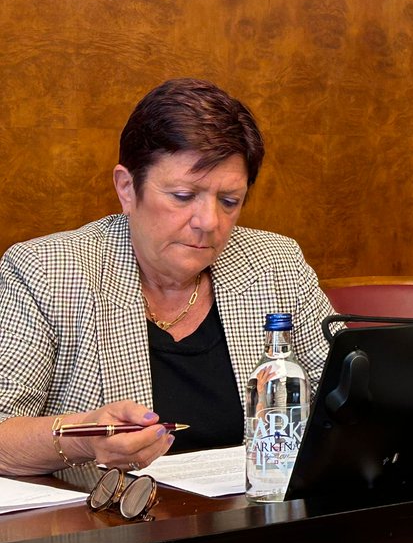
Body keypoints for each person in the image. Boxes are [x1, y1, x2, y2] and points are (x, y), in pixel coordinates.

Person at [0, 79, 334, 476]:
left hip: (260, 519)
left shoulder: (275, 263)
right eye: (182, 196)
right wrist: (83, 439)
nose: (209, 222)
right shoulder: (49, 269)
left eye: (229, 202)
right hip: (111, 526)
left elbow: (349, 396)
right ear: (127, 188)